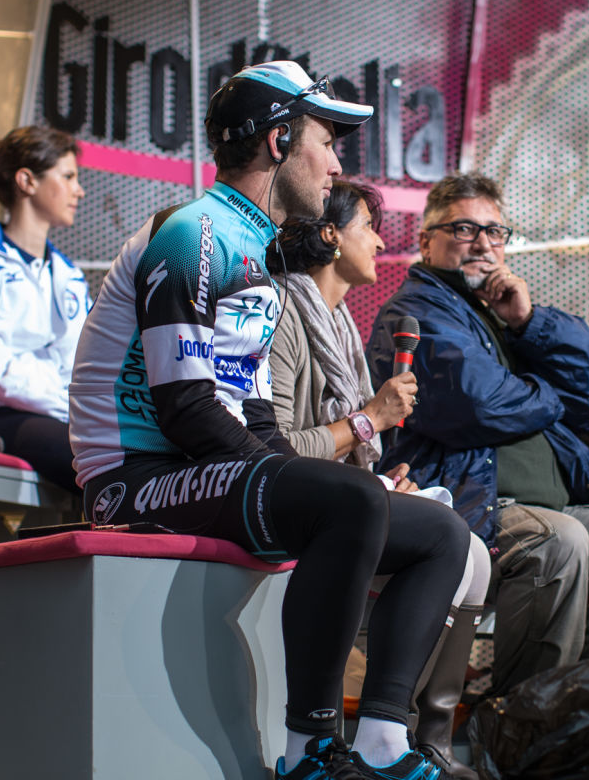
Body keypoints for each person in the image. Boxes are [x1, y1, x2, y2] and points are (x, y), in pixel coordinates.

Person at [68, 61, 467, 780]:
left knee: (441, 532)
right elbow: (187, 410)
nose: (336, 165)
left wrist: (333, 481)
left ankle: (383, 743)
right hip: (134, 481)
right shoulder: (196, 233)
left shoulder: (253, 251)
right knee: (349, 498)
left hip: (200, 470)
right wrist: (323, 482)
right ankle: (309, 752)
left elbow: (253, 419)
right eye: (328, 143)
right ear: (280, 142)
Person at [366, 172, 589, 694]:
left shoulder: (502, 315)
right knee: (559, 541)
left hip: (557, 504)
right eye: (464, 229)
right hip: (473, 505)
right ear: (426, 241)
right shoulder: (416, 311)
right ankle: (521, 715)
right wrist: (552, 395)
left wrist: (528, 320)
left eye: (495, 232)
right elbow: (479, 405)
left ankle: (581, 701)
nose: (483, 244)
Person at [268, 178, 489, 780]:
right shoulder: (282, 311)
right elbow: (275, 448)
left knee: (463, 545)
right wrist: (369, 421)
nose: (381, 241)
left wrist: (380, 476)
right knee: (445, 534)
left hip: (337, 498)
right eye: (368, 226)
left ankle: (402, 737)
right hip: (283, 499)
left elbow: (344, 447)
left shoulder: (340, 325)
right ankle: (360, 739)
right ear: (331, 236)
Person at [0, 126, 89, 493]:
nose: (79, 190)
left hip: (61, 415)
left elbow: (84, 362)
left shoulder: (70, 275)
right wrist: (66, 404)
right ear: (27, 181)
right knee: (95, 460)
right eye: (68, 176)